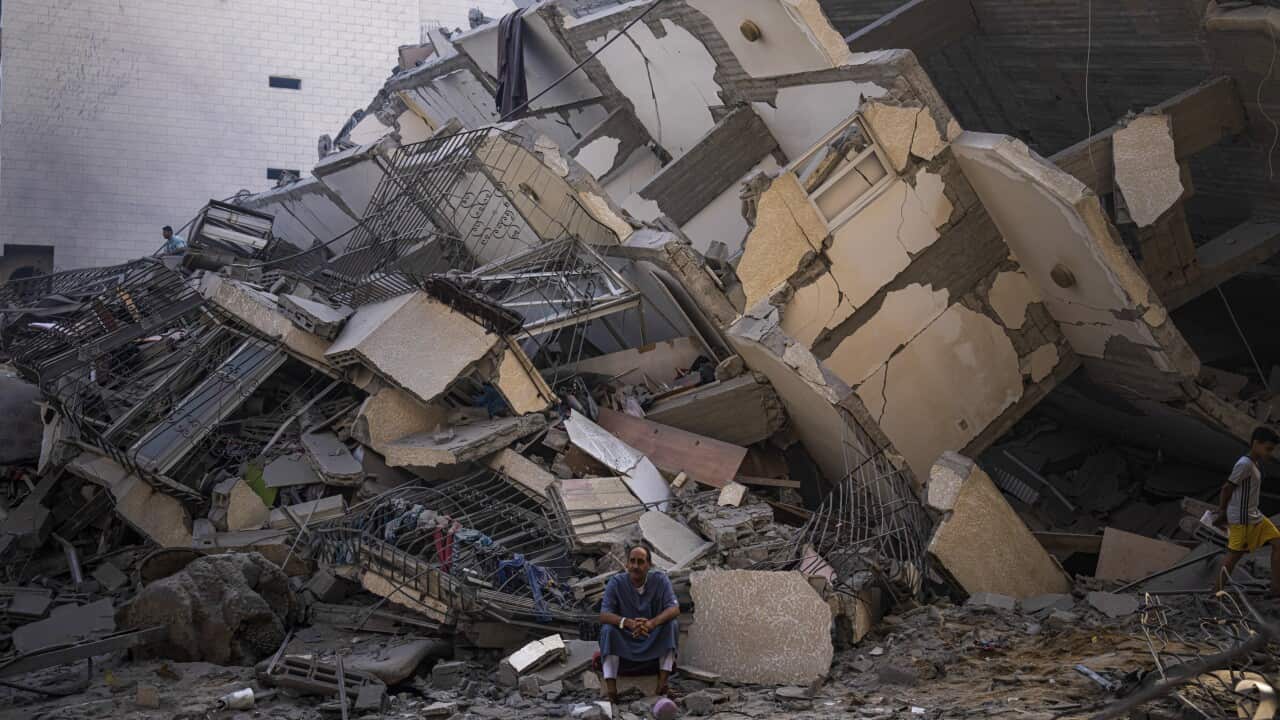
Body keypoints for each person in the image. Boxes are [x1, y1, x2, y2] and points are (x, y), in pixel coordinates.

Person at [597, 544, 679, 701]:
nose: (635, 566)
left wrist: (651, 624)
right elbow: (604, 614)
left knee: (672, 625)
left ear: (649, 565)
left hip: (651, 636)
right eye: (632, 561)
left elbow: (674, 608)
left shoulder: (660, 580)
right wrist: (627, 623)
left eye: (640, 562)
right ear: (626, 564)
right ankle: (612, 692)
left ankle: (662, 685)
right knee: (608, 630)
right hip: (626, 637)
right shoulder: (616, 582)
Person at [1213, 426, 1280, 594]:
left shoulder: (1253, 464)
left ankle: (1276, 587)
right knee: (1234, 556)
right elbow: (1227, 488)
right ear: (1256, 443)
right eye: (1268, 449)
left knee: (1278, 543)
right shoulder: (1244, 465)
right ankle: (1215, 591)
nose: (1270, 453)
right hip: (1242, 518)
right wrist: (1222, 512)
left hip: (1254, 515)